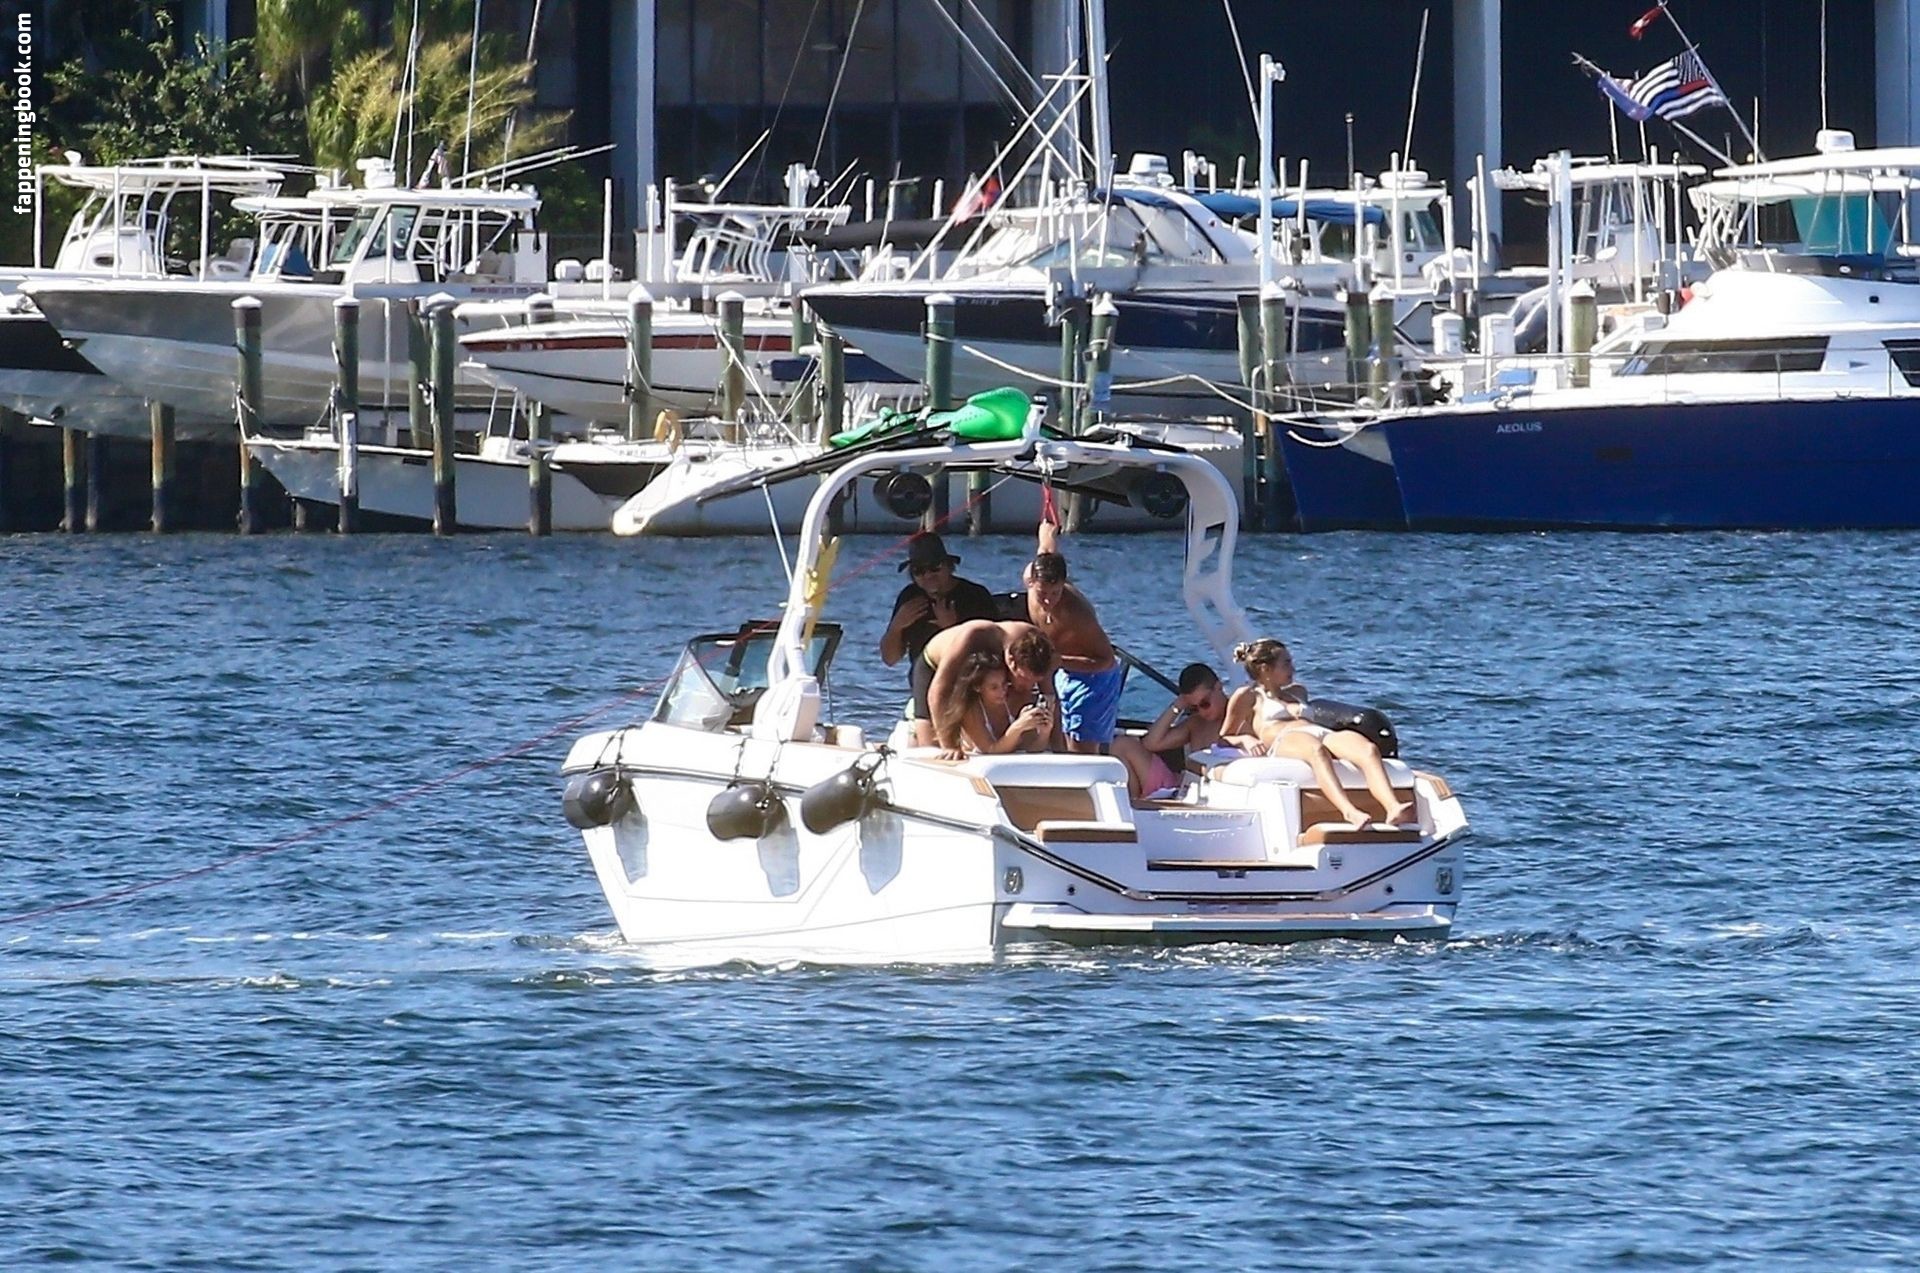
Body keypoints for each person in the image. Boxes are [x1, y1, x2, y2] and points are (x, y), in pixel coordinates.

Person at [1222, 637, 1414, 828]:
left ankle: (1393, 807)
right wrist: (1246, 739)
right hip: (1285, 738)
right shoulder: (1248, 696)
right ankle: (1350, 812)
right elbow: (1225, 735)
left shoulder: (1298, 692)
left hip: (1320, 732)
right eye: (1286, 663)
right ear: (1265, 669)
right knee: (1317, 751)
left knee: (1368, 750)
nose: (1293, 669)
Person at [880, 532, 1001, 745]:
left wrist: (952, 629)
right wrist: (897, 626)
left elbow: (994, 655)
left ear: (948, 566)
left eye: (934, 567)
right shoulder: (910, 598)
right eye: (919, 571)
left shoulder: (975, 596)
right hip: (922, 691)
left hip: (969, 694)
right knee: (914, 744)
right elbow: (890, 659)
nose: (928, 576)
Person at [1015, 520, 1121, 754]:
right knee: (1057, 738)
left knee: (1081, 749)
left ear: (1063, 585)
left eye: (1055, 593)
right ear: (1031, 582)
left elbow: (1107, 661)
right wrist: (1047, 533)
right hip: (1061, 671)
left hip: (1095, 678)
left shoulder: (1077, 614)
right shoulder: (1033, 574)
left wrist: (1059, 661)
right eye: (1042, 593)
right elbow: (1046, 552)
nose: (1048, 600)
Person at [923, 619, 1061, 760]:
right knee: (936, 745)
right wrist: (949, 747)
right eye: (1024, 679)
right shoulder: (973, 637)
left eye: (1034, 682)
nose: (1029, 687)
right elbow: (938, 691)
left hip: (988, 672)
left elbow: (1050, 696)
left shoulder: (1038, 651)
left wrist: (1059, 748)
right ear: (1011, 661)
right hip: (935, 666)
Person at [1111, 662, 1230, 802]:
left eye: (1205, 703)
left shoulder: (1243, 718)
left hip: (1218, 792)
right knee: (1121, 744)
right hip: (1184, 789)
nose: (1202, 712)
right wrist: (1178, 706)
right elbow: (1151, 743)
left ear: (1218, 686)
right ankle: (1133, 804)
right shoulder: (1196, 723)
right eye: (1193, 707)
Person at [938, 651, 1053, 756]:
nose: (1002, 691)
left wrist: (1044, 733)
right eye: (994, 687)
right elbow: (991, 750)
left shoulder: (1016, 699)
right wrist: (1018, 727)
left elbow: (1031, 748)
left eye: (1004, 684)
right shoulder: (971, 711)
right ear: (978, 687)